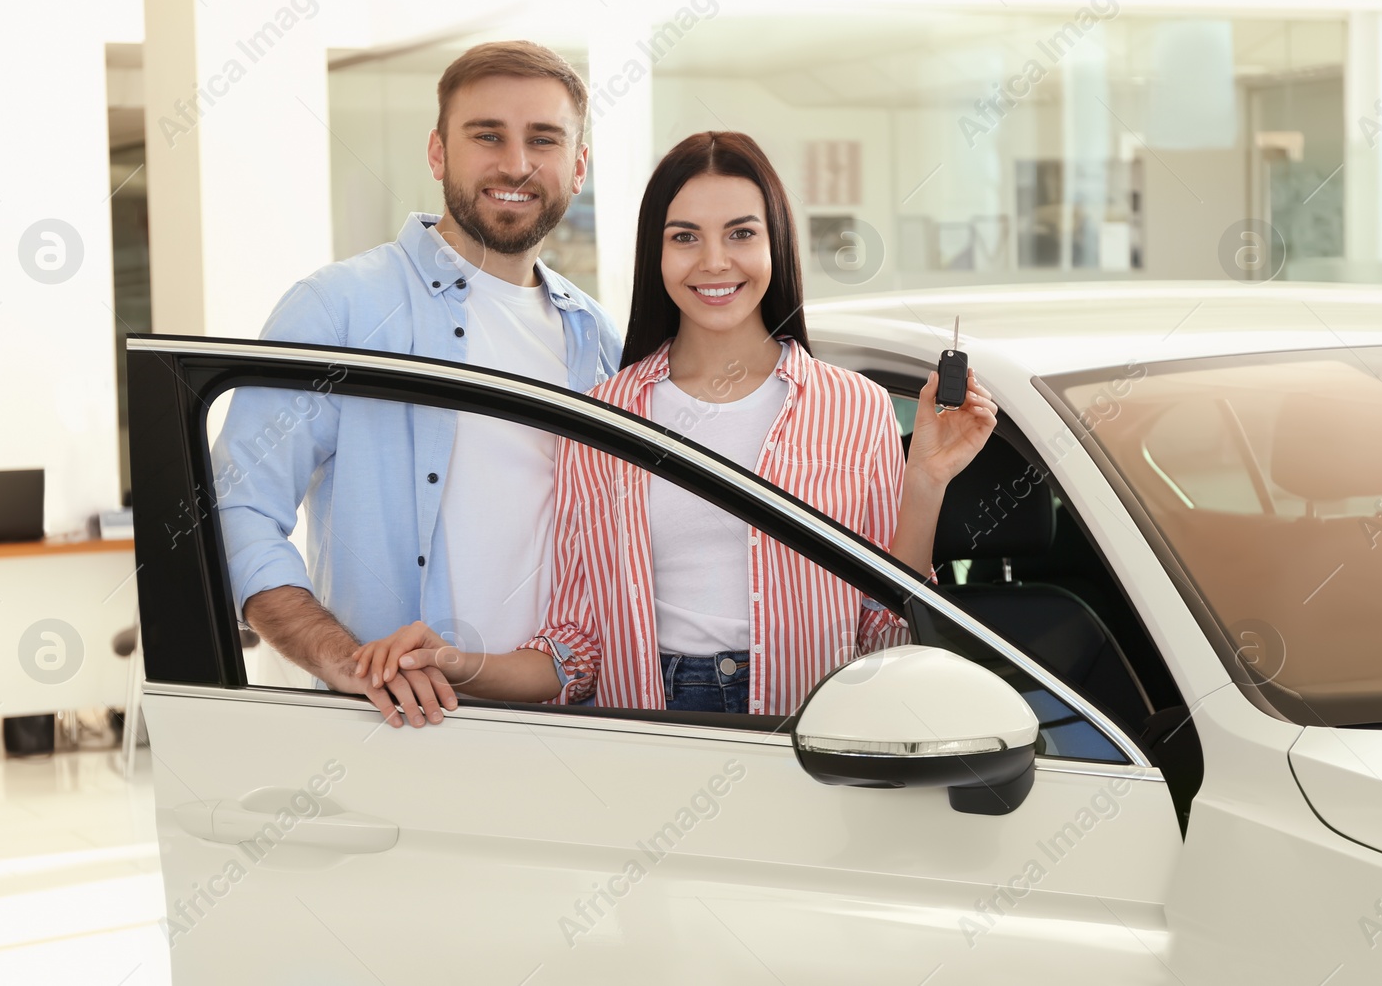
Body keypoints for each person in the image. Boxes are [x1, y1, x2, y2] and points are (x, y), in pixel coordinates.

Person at [353, 131, 996, 717]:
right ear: (655, 255)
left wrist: (927, 483)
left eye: (741, 234)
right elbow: (574, 650)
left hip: (812, 726)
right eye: (685, 236)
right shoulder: (603, 417)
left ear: (775, 243)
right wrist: (455, 664)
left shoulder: (852, 407)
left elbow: (887, 633)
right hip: (653, 729)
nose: (714, 262)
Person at [215, 41, 621, 728]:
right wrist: (337, 656)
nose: (517, 163)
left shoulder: (599, 340)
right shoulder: (340, 308)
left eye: (543, 139)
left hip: (564, 728)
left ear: (577, 166)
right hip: (399, 731)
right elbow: (236, 506)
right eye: (487, 135)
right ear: (437, 153)